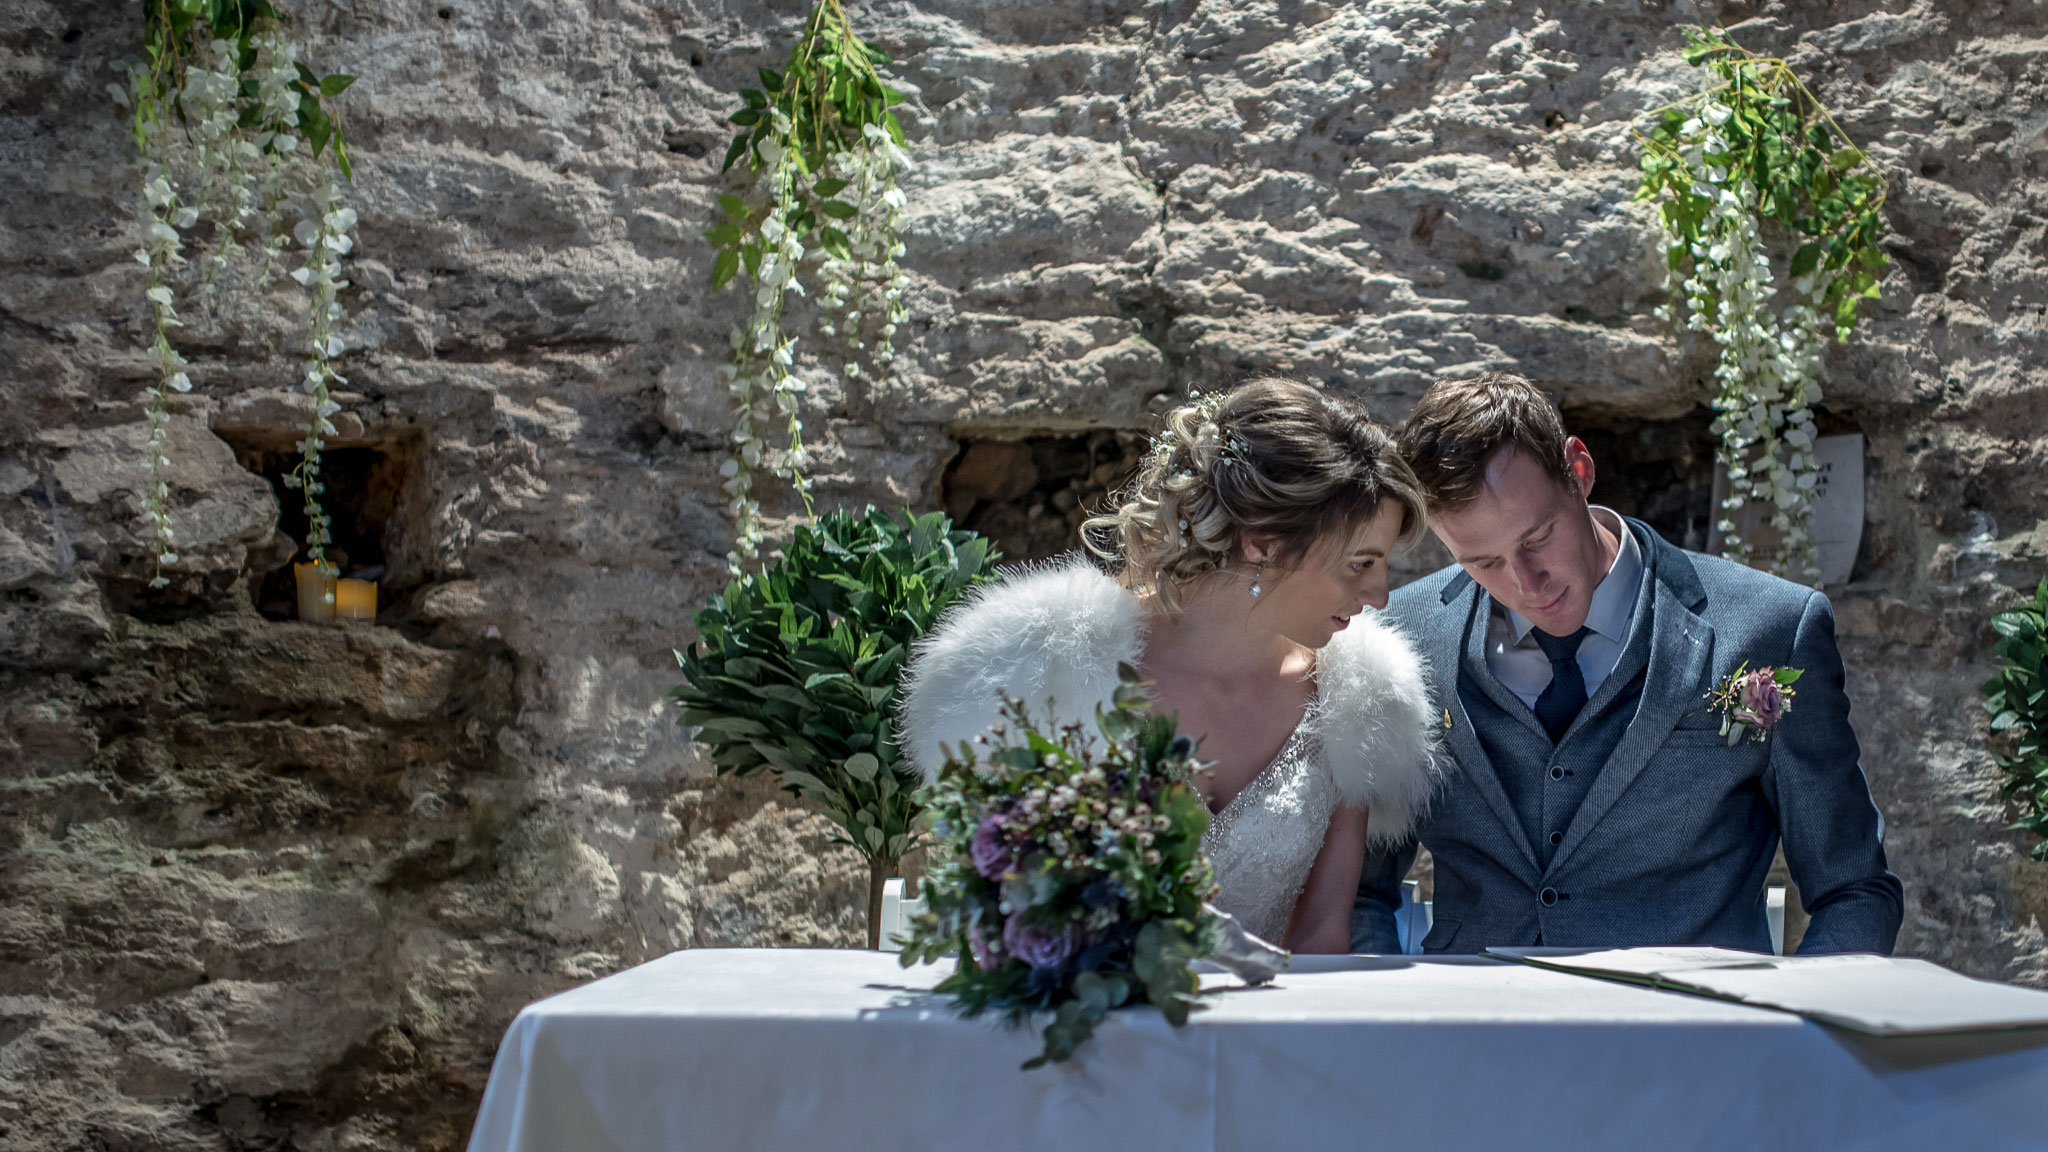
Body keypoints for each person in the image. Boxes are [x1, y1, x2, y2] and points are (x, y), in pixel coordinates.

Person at [1353, 371, 1903, 955]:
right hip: (1475, 1034)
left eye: (1539, 536)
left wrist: (1788, 1037)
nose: (1526, 582)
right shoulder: (1399, 641)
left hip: (1691, 1033)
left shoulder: (1772, 627)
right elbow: (1360, 895)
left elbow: (1855, 890)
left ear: (1580, 470)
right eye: (1483, 562)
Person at [901, 379, 1440, 952]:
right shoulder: (1050, 673)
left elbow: (1322, 934)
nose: (1380, 594)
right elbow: (1001, 905)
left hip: (1273, 1035)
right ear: (1263, 542)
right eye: (1360, 562)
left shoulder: (1356, 700)